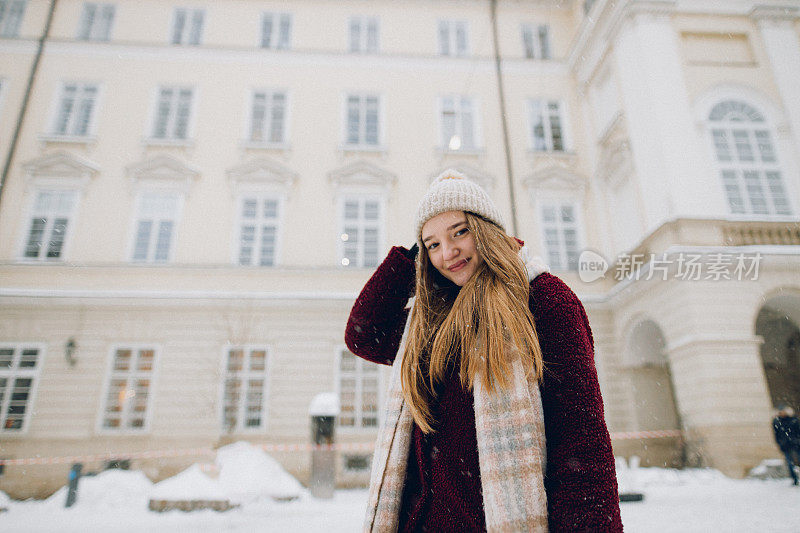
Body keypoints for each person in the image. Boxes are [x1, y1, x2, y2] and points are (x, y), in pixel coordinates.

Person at [345, 170, 623, 532]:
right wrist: (411, 255)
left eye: (460, 231)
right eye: (433, 244)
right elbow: (363, 333)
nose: (448, 252)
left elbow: (582, 451)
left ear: (487, 230)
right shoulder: (430, 321)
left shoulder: (545, 301)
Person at [772, 404, 800, 485]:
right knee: (790, 463)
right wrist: (780, 443)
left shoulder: (793, 420)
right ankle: (794, 479)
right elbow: (776, 434)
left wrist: (797, 440)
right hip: (786, 445)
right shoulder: (777, 421)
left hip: (796, 444)